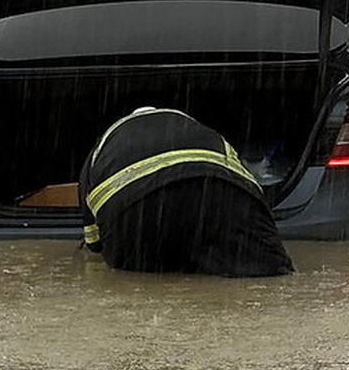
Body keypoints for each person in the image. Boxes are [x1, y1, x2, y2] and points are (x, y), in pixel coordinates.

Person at [79, 107, 293, 277]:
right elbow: (248, 186)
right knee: (271, 272)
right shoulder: (206, 134)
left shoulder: (99, 151)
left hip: (139, 216)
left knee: (145, 281)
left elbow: (94, 243)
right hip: (219, 199)